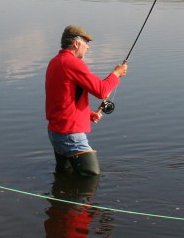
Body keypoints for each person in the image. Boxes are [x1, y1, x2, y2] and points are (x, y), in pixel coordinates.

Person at [45, 25, 127, 176]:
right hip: (69, 134)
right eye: (86, 43)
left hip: (56, 132)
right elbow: (101, 90)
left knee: (67, 177)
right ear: (76, 44)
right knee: (91, 175)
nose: (88, 47)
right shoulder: (73, 63)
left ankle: (61, 198)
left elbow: (62, 100)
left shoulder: (54, 62)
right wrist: (116, 74)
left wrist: (87, 114)